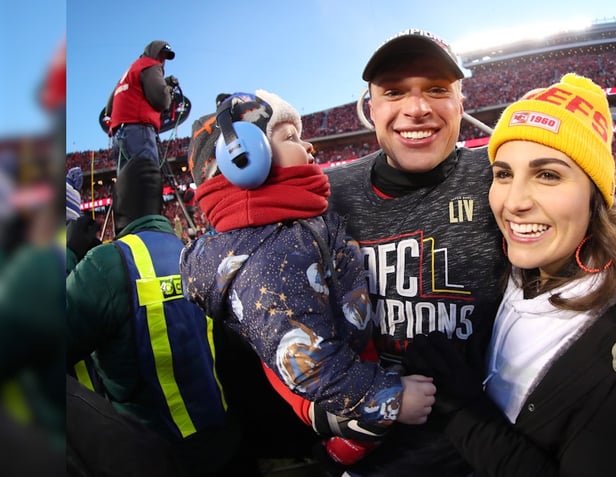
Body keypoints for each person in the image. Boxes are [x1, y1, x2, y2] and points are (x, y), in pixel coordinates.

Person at [403, 73, 616, 476]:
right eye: (503, 173)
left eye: (548, 174)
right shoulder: (508, 261)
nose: (514, 202)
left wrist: (460, 410)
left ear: (595, 194)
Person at [179, 90, 437, 471]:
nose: (309, 145)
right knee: (377, 428)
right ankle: (333, 457)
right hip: (329, 382)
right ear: (245, 159)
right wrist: (392, 398)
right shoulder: (272, 255)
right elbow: (312, 366)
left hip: (341, 362)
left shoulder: (291, 223)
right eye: (290, 137)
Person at [322, 29, 507, 476]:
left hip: (485, 450)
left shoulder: (498, 175)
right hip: (369, 455)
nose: (417, 108)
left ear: (461, 102)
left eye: (437, 89)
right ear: (370, 108)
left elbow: (579, 215)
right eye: (394, 92)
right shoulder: (330, 193)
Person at [66, 158, 243, 476]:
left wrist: (66, 256)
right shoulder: (193, 248)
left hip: (154, 454)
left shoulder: (106, 263)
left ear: (117, 204)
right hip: (223, 439)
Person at [105, 40, 179, 172]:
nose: (162, 60)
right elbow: (161, 100)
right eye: (161, 55)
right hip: (139, 131)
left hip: (119, 136)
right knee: (146, 181)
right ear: (154, 53)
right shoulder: (151, 65)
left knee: (127, 185)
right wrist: (168, 88)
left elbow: (108, 108)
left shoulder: (131, 70)